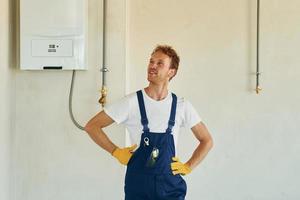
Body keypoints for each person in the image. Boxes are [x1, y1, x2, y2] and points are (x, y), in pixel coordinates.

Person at [84, 45, 213, 200]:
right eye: (151, 61)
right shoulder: (131, 102)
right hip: (139, 186)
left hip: (170, 186)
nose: (152, 66)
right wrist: (115, 151)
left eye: (160, 63)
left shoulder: (181, 105)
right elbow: (92, 126)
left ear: (171, 72)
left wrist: (188, 166)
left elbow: (207, 140)